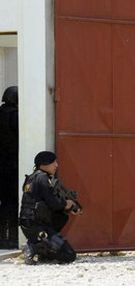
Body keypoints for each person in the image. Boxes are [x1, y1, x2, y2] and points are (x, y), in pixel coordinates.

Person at [19, 151, 81, 264]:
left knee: (62, 216)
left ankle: (43, 249)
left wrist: (65, 206)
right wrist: (68, 204)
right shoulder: (43, 178)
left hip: (27, 226)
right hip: (38, 226)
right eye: (54, 162)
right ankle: (34, 247)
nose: (56, 165)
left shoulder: (31, 178)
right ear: (44, 163)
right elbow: (54, 203)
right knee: (69, 255)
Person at [0, 86, 19, 248]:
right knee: (12, 201)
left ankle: (2, 236)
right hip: (12, 164)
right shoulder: (15, 116)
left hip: (2, 164)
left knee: (3, 202)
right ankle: (12, 237)